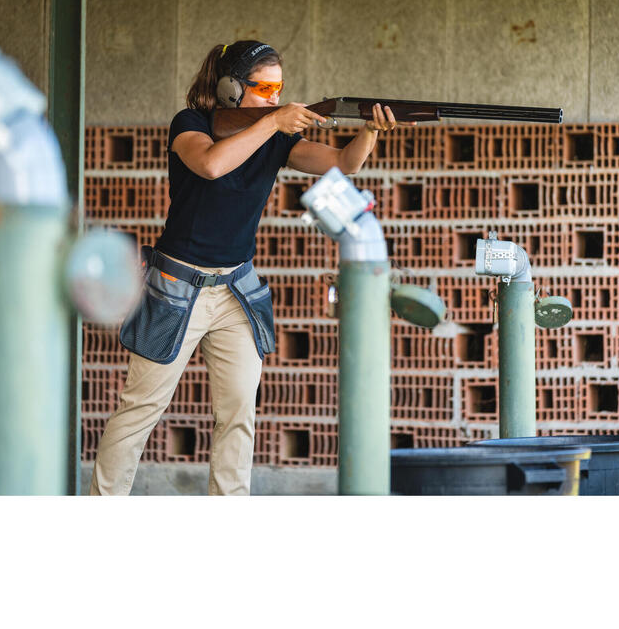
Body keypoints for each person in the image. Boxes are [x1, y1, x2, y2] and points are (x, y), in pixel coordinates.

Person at [90, 40, 405, 495]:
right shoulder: (192, 124)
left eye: (280, 88)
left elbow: (342, 164)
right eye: (265, 88)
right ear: (230, 88)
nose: (276, 97)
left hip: (236, 288)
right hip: (177, 286)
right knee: (140, 408)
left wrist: (370, 131)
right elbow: (212, 164)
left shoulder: (274, 135)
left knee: (238, 414)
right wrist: (275, 122)